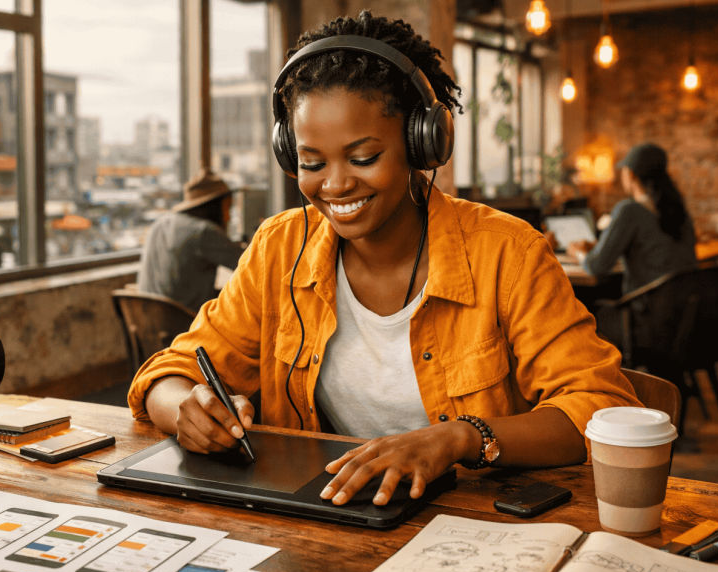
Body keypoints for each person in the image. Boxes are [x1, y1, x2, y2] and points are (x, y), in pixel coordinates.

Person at [129, 11, 640, 508]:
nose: (334, 185)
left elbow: (601, 408)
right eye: (311, 163)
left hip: (472, 521)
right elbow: (168, 374)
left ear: (422, 141)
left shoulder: (507, 252)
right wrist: (186, 412)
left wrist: (461, 439)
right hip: (327, 516)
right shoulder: (279, 248)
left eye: (363, 158)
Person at [566, 143, 697, 347]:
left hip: (646, 321)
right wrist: (598, 247)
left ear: (632, 175)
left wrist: (579, 254)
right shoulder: (679, 212)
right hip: (682, 321)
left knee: (585, 313)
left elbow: (595, 267)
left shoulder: (630, 211)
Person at [137, 168, 245, 313]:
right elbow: (252, 266)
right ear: (215, 206)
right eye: (228, 208)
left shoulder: (158, 225)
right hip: (187, 325)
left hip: (147, 324)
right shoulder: (203, 231)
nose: (229, 218)